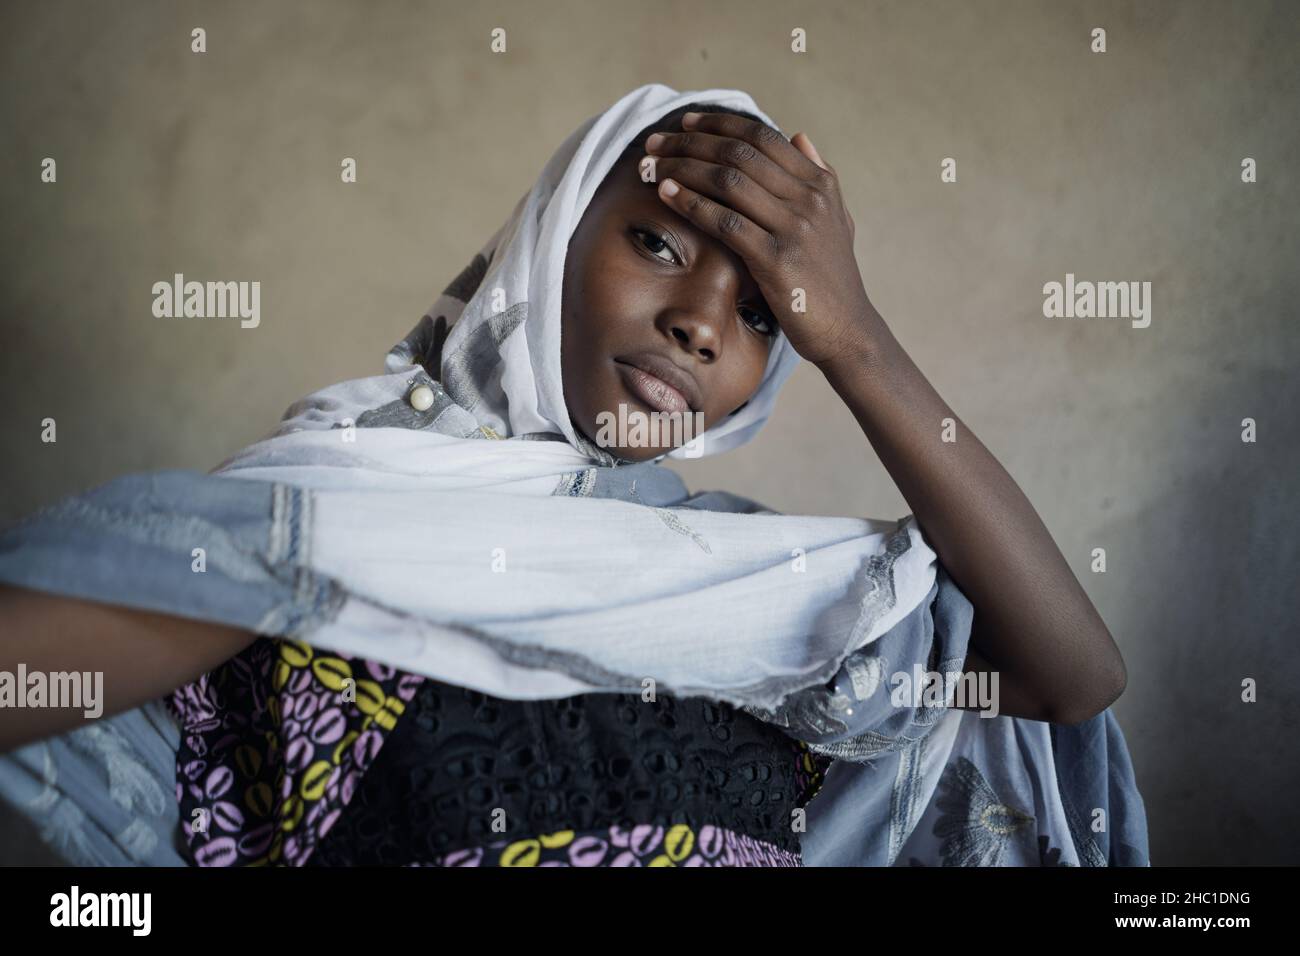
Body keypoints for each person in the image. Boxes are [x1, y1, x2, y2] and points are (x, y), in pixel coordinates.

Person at [0, 84, 1149, 867]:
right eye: (656, 242)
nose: (703, 324)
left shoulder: (770, 592)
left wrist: (852, 334)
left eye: (764, 311)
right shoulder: (324, 517)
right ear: (547, 243)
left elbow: (1069, 675)